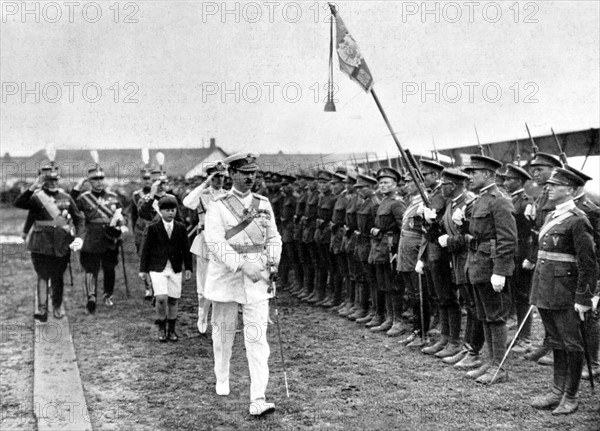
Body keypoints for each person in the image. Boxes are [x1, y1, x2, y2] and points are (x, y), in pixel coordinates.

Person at [203, 152, 282, 416]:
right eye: (244, 173)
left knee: (257, 339)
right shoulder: (218, 204)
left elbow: (274, 238)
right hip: (227, 276)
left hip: (258, 279)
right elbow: (214, 241)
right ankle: (222, 376)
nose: (250, 178)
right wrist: (240, 263)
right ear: (232, 174)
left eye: (253, 173)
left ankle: (258, 397)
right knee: (223, 335)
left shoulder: (263, 203)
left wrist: (272, 264)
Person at [529, 168, 598, 414]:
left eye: (554, 185)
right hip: (546, 288)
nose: (548, 188)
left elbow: (588, 263)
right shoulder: (551, 216)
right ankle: (557, 390)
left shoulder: (578, 219)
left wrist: (583, 297)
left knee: (572, 344)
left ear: (569, 189)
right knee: (556, 342)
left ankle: (571, 395)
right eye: (548, 184)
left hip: (566, 292)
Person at [462, 155, 517, 384]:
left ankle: (499, 367)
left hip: (491, 266)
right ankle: (490, 360)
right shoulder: (480, 200)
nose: (470, 177)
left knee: (495, 317)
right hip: (478, 263)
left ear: (487, 174)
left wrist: (501, 271)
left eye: (474, 173)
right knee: (485, 315)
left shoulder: (499, 199)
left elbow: (509, 238)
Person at [14, 164, 84, 320]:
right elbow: (18, 203)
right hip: (40, 243)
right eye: (48, 180)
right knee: (42, 275)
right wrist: (34, 186)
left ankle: (57, 306)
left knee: (58, 277)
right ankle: (42, 309)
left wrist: (79, 237)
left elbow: (79, 219)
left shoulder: (66, 197)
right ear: (42, 180)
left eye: (55, 179)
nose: (53, 183)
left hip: (61, 243)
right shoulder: (36, 197)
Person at [523, 153, 563, 365]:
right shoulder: (543, 194)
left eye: (540, 169)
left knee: (558, 308)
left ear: (553, 170)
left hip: (558, 258)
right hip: (543, 255)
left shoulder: (558, 194)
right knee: (544, 304)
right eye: (533, 169)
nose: (534, 173)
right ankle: (549, 343)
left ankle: (559, 348)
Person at [139, 195, 193, 342]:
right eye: (167, 210)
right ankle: (162, 327)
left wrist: (188, 267)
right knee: (161, 298)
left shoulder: (181, 228)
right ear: (160, 211)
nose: (171, 213)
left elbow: (186, 249)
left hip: (174, 268)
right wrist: (143, 270)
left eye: (173, 210)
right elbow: (146, 250)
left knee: (174, 299)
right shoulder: (153, 228)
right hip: (157, 268)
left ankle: (172, 329)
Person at [182, 162, 227, 334]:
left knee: (221, 280)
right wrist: (203, 184)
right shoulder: (202, 195)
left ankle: (217, 319)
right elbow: (187, 202)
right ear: (210, 178)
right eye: (216, 177)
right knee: (204, 281)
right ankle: (202, 313)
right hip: (205, 240)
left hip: (222, 242)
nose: (219, 180)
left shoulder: (227, 195)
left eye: (222, 176)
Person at [76, 166, 128, 313]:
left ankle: (108, 295)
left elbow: (122, 216)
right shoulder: (83, 198)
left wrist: (122, 228)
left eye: (100, 179)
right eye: (94, 179)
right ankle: (91, 297)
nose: (98, 182)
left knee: (109, 268)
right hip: (91, 237)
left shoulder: (113, 196)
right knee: (90, 269)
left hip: (110, 238)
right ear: (89, 181)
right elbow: (74, 212)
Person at [502, 164, 535, 354]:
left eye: (509, 180)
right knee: (513, 294)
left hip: (522, 253)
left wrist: (530, 256)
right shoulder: (510, 199)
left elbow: (533, 231)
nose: (505, 183)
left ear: (519, 182)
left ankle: (526, 338)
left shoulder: (526, 201)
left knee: (523, 296)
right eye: (505, 179)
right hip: (512, 253)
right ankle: (518, 335)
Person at [369, 167, 406, 334]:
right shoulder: (383, 201)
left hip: (392, 247)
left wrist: (399, 251)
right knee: (384, 284)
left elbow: (403, 228)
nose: (382, 185)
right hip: (380, 248)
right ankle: (389, 318)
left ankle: (398, 321)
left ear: (395, 184)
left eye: (386, 182)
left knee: (394, 286)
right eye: (380, 182)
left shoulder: (397, 203)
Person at [130, 168, 154, 299]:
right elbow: (133, 215)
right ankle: (148, 288)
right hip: (141, 228)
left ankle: (157, 286)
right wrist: (135, 232)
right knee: (144, 259)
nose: (147, 181)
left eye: (149, 179)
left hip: (155, 228)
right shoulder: (136, 195)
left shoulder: (157, 194)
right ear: (141, 180)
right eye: (145, 179)